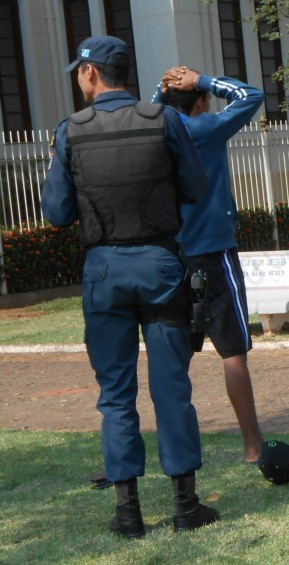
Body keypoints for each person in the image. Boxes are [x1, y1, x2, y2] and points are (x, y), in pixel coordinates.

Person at [41, 35, 220, 537]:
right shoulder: (163, 120)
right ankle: (186, 506)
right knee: (172, 388)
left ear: (91, 73)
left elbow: (56, 212)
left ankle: (129, 514)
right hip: (160, 267)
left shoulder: (70, 132)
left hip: (104, 274)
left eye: (80, 71)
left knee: (116, 395)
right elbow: (195, 187)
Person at [152, 66, 267, 464]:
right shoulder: (206, 129)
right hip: (215, 252)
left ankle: (174, 449)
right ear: (201, 102)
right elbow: (251, 96)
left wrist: (162, 90)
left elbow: (146, 114)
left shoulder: (158, 131)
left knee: (174, 358)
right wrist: (202, 80)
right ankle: (253, 445)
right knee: (232, 352)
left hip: (172, 255)